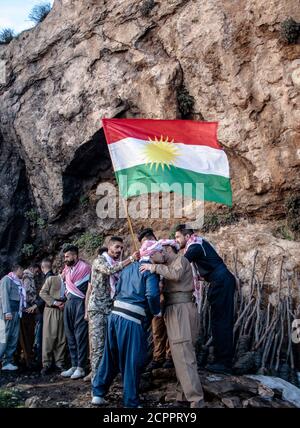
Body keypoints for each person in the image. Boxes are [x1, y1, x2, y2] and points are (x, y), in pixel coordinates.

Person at [91, 240, 161, 408]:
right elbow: (151, 295)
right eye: (160, 252)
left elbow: (119, 288)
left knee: (110, 356)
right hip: (132, 318)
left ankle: (98, 393)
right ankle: (131, 401)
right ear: (152, 254)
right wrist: (155, 311)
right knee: (132, 360)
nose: (162, 255)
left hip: (115, 315)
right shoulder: (149, 271)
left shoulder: (128, 267)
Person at [140, 239, 205, 408]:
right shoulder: (168, 264)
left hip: (181, 309)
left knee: (184, 353)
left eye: (153, 255)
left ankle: (196, 401)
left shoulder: (181, 260)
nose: (152, 260)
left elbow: (175, 275)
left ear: (166, 249)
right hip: (174, 308)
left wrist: (153, 268)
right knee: (178, 355)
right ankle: (182, 396)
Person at [175, 224, 236, 374]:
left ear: (187, 236)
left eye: (177, 237)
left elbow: (181, 264)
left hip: (221, 281)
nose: (175, 240)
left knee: (220, 321)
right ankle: (222, 360)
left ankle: (224, 362)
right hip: (220, 281)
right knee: (220, 320)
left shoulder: (194, 246)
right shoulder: (199, 243)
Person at [84, 238, 140, 381]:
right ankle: (95, 385)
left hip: (112, 309)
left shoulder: (118, 264)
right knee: (97, 347)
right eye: (116, 247)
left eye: (121, 248)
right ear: (109, 247)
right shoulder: (99, 261)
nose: (119, 250)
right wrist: (131, 259)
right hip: (97, 309)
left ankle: (107, 379)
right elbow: (109, 271)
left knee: (110, 347)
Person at [138, 228, 173, 370]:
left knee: (171, 327)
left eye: (147, 242)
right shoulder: (145, 256)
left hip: (169, 294)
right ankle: (158, 357)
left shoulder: (165, 251)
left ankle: (170, 357)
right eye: (143, 244)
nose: (146, 247)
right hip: (155, 297)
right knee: (157, 329)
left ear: (154, 238)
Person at [61, 245, 91, 380]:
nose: (65, 259)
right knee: (70, 335)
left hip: (80, 302)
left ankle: (81, 367)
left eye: (67, 256)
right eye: (64, 257)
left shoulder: (85, 268)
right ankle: (73, 365)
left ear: (75, 256)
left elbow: (85, 288)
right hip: (68, 303)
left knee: (80, 335)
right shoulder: (67, 270)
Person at [39, 274, 67, 375]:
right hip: (51, 310)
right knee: (49, 336)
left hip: (63, 310)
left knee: (61, 337)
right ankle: (46, 363)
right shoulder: (52, 279)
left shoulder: (70, 281)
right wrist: (55, 302)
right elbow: (42, 293)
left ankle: (60, 363)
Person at [0, 264, 25, 371]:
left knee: (14, 337)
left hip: (16, 313)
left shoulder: (18, 282)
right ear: (17, 270)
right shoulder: (7, 279)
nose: (23, 273)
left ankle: (7, 362)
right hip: (8, 313)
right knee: (4, 337)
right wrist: (7, 312)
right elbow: (4, 295)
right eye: (22, 270)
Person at [18, 263, 41, 369]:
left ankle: (25, 359)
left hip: (25, 310)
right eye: (37, 270)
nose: (37, 273)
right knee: (28, 336)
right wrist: (35, 304)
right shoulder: (28, 277)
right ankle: (28, 360)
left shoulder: (26, 276)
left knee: (26, 336)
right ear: (32, 269)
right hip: (27, 311)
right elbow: (26, 294)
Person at [34, 258, 55, 366]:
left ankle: (43, 361)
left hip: (45, 311)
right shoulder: (54, 276)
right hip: (52, 309)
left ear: (42, 268)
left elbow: (44, 295)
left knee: (43, 336)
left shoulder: (48, 278)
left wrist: (36, 305)